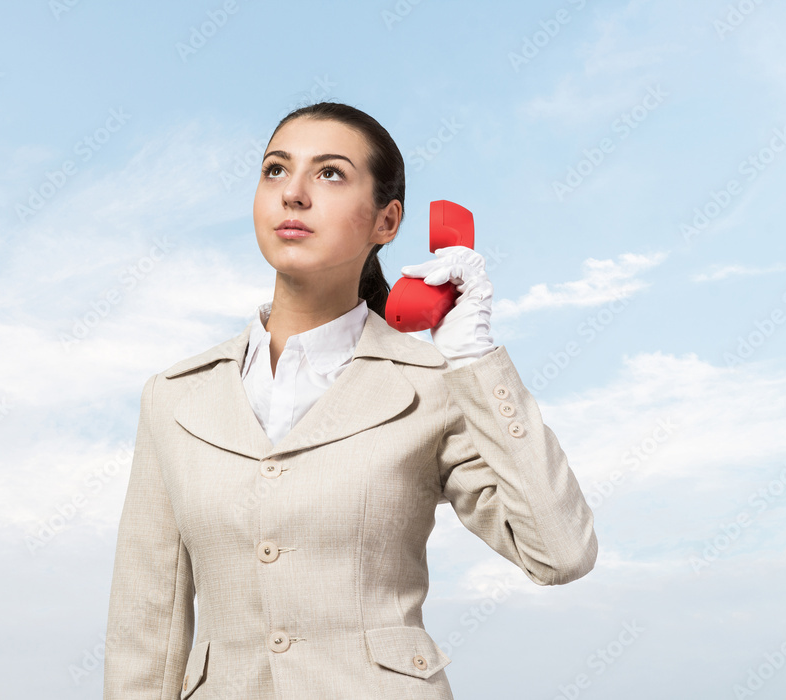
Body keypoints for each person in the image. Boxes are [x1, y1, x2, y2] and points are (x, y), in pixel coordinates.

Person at [103, 101, 597, 699]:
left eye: (330, 173)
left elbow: (560, 552)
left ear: (386, 222)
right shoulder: (175, 397)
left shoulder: (435, 385)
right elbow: (146, 624)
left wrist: (474, 359)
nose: (293, 194)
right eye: (276, 170)